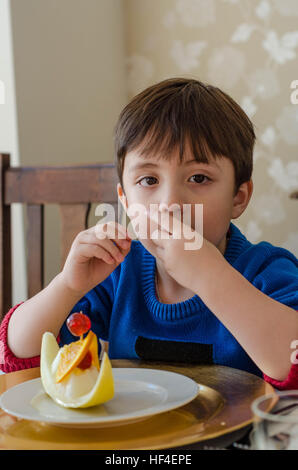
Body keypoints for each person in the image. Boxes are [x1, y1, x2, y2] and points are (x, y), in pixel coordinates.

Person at [1, 77, 298, 390]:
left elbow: (290, 362)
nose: (170, 203)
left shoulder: (266, 271)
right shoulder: (118, 271)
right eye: (148, 180)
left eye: (198, 177)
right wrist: (67, 286)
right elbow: (21, 355)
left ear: (237, 197)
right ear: (126, 201)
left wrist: (210, 276)